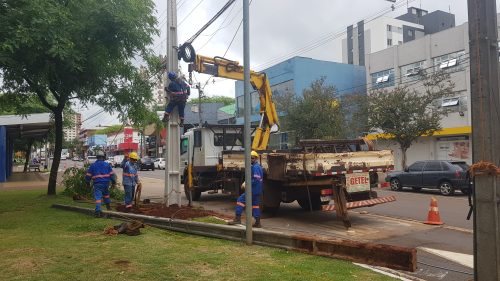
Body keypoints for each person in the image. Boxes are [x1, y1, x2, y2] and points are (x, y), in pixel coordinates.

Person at [228, 151, 264, 228]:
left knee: (240, 200)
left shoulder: (255, 167)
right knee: (255, 205)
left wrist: (246, 184)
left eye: (252, 158)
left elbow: (256, 179)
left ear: (256, 158)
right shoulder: (257, 166)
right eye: (249, 158)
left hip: (252, 190)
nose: (251, 159)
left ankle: (237, 218)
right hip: (257, 190)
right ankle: (257, 222)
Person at [85, 151, 117, 218]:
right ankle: (108, 208)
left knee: (98, 198)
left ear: (97, 157)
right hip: (106, 184)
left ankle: (98, 212)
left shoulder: (93, 165)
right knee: (106, 195)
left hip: (97, 184)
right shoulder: (107, 165)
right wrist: (114, 183)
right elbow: (112, 175)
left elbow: (88, 176)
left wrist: (87, 184)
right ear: (103, 157)